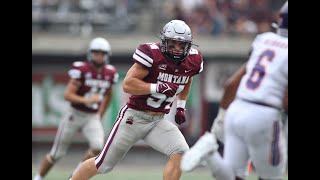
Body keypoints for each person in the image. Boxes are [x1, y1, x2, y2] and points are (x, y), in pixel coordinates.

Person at [69, 19, 204, 180]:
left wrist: (181, 106)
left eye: (182, 45)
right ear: (164, 42)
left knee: (181, 151)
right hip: (134, 117)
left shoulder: (192, 61)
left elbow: (187, 78)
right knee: (103, 165)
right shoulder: (152, 54)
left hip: (158, 120)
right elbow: (128, 84)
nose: (177, 49)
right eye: (173, 44)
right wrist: (157, 87)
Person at [181, 1, 288, 180]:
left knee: (233, 176)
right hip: (265, 115)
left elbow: (231, 84)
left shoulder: (264, 40)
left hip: (237, 110)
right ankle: (210, 154)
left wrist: (221, 120)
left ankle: (211, 154)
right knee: (271, 177)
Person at [33, 37, 119, 180]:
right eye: (96, 53)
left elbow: (109, 95)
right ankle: (38, 177)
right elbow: (68, 95)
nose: (99, 56)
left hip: (91, 116)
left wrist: (100, 113)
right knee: (57, 153)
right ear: (90, 54)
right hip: (75, 114)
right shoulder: (82, 69)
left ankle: (75, 176)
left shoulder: (110, 73)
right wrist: (88, 100)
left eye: (102, 53)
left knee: (98, 147)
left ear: (107, 55)